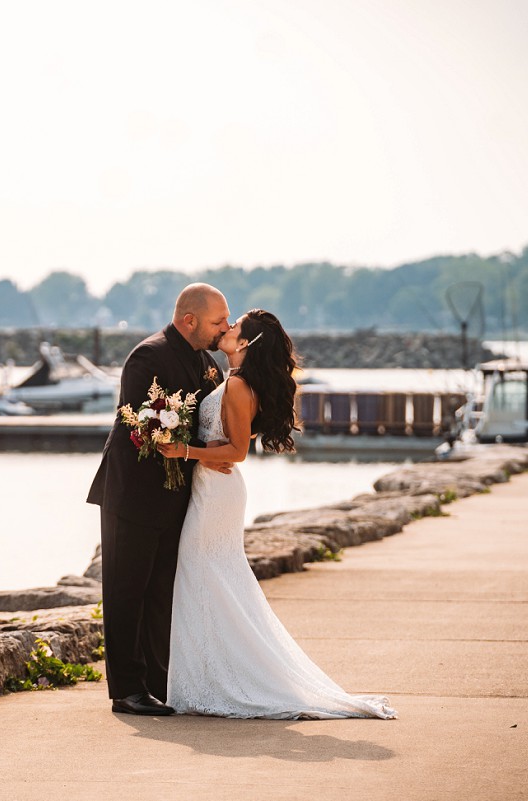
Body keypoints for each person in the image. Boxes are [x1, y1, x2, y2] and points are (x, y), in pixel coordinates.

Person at [157, 309, 397, 719]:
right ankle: (210, 676)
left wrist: (184, 450)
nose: (227, 328)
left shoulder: (237, 386)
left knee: (204, 574)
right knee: (213, 578)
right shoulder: (234, 381)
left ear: (246, 344)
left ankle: (217, 680)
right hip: (213, 488)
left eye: (234, 327)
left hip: (217, 492)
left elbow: (236, 452)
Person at [86, 283, 232, 716]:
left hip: (178, 497)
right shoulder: (147, 356)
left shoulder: (209, 364)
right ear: (189, 320)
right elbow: (142, 428)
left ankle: (158, 683)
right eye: (217, 321)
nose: (224, 328)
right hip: (132, 494)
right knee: (126, 590)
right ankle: (127, 691)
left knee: (161, 594)